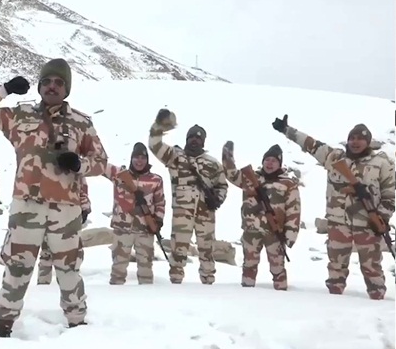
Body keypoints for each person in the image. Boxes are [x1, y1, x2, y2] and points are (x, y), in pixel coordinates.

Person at [0, 58, 108, 337]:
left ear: (66, 88)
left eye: (58, 82)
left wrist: (80, 164)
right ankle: (4, 326)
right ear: (40, 85)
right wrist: (5, 89)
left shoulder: (81, 123)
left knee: (68, 270)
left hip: (66, 209)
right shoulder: (21, 116)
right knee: (18, 268)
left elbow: (101, 162)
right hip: (26, 205)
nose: (52, 86)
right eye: (47, 81)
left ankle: (77, 324)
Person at [273, 114, 394, 299]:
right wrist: (287, 131)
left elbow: (390, 193)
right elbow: (311, 145)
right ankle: (333, 301)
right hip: (338, 222)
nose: (355, 142)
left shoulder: (381, 163)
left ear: (368, 142)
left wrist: (381, 218)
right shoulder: (334, 157)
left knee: (372, 267)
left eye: (360, 138)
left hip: (368, 224)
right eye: (352, 138)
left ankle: (377, 300)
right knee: (336, 266)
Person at [148, 108, 228, 285]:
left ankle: (208, 284)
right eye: (191, 137)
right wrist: (159, 125)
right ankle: (176, 284)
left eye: (198, 138)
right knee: (178, 252)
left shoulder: (213, 163)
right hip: (181, 215)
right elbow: (155, 145)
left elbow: (222, 185)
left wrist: (218, 199)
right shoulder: (175, 157)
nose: (194, 140)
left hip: (206, 214)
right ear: (186, 139)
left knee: (207, 251)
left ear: (203, 141)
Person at [222, 141, 301, 290]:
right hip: (251, 230)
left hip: (275, 232)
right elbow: (231, 174)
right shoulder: (250, 178)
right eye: (267, 160)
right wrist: (227, 156)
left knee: (277, 267)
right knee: (249, 265)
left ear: (279, 164)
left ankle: (282, 294)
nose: (269, 163)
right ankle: (246, 293)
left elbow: (294, 210)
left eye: (274, 161)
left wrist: (290, 235)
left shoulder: (288, 183)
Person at [103, 142, 165, 285]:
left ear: (147, 160)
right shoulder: (119, 174)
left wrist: (158, 222)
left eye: (143, 158)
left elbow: (160, 203)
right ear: (131, 159)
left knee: (146, 270)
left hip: (145, 230)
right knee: (118, 268)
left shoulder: (156, 180)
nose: (139, 161)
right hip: (122, 229)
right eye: (136, 157)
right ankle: (115, 299)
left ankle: (146, 301)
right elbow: (101, 166)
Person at [37, 176, 91, 285]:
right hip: (51, 214)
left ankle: (70, 285)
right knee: (47, 253)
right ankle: (43, 287)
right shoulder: (47, 169)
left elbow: (82, 191)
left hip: (70, 216)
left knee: (73, 254)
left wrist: (85, 207)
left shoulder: (75, 171)